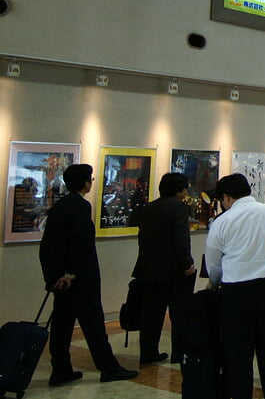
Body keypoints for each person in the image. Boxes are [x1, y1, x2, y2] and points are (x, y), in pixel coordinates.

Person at [39, 164, 139, 386]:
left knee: (62, 327)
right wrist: (71, 273)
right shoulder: (81, 207)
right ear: (85, 182)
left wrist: (53, 276)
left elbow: (48, 247)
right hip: (80, 279)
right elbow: (80, 245)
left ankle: (61, 369)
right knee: (93, 325)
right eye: (90, 179)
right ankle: (108, 367)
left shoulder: (58, 208)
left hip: (61, 280)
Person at [205, 173, 265, 399]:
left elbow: (214, 265)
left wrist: (218, 279)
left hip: (236, 293)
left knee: (238, 354)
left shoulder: (222, 222)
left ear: (226, 198)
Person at [133, 172, 196, 365]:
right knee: (179, 314)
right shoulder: (178, 207)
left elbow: (142, 238)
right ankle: (179, 353)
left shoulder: (148, 207)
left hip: (148, 270)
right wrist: (187, 264)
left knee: (151, 316)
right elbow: (180, 240)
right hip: (173, 272)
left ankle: (148, 352)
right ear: (180, 190)